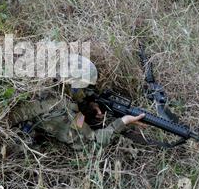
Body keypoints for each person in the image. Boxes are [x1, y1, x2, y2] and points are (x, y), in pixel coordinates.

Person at [8, 55, 147, 150]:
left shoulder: (47, 83)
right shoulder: (61, 112)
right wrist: (122, 122)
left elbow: (77, 97)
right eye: (82, 87)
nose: (85, 92)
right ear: (70, 85)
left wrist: (88, 106)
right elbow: (92, 144)